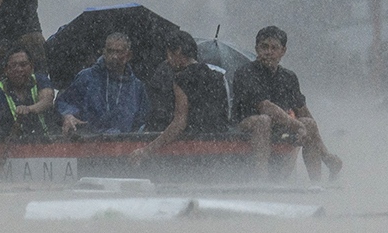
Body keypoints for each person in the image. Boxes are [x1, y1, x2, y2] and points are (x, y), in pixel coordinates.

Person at [232, 25, 342, 182]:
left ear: (282, 51)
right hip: (247, 124)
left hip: (279, 125)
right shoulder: (246, 72)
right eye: (264, 47)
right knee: (263, 120)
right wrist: (297, 126)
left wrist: (322, 149)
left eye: (274, 48)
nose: (269, 52)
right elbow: (265, 107)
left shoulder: (288, 77)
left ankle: (317, 183)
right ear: (257, 49)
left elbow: (303, 111)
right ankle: (261, 180)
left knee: (309, 123)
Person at [132, 30, 229, 159]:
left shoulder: (182, 79)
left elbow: (179, 123)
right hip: (217, 147)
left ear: (177, 50)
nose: (167, 61)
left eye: (167, 54)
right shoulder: (217, 76)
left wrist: (148, 150)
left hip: (191, 148)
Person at [0, 46, 74, 171]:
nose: (19, 69)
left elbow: (47, 100)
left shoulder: (41, 81)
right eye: (13, 66)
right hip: (14, 152)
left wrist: (29, 109)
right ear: (6, 70)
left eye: (23, 65)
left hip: (49, 146)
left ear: (32, 67)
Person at [56, 32, 150, 133]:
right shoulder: (87, 77)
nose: (114, 56)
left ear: (128, 55)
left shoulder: (137, 87)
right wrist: (68, 115)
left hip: (125, 143)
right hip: (89, 142)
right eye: (110, 51)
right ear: (104, 52)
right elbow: (62, 102)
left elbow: (143, 121)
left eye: (119, 52)